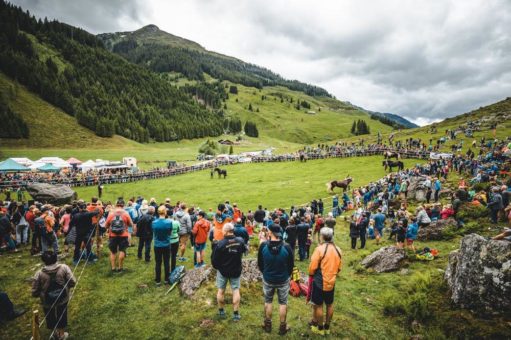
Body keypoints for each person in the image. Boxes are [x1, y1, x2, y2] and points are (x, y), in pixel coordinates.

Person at [258, 224, 294, 335]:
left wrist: (265, 273)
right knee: (283, 303)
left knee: (268, 301)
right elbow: (291, 265)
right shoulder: (287, 247)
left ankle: (267, 325)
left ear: (270, 233)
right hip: (283, 280)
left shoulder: (263, 246)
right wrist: (286, 275)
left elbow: (260, 264)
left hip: (268, 279)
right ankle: (282, 327)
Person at [32, 251, 76, 340]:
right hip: (63, 298)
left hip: (47, 301)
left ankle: (55, 334)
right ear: (56, 258)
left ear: (43, 260)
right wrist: (67, 288)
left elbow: (34, 291)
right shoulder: (64, 268)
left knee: (49, 315)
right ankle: (62, 334)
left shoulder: (39, 273)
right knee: (62, 313)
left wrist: (39, 294)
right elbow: (72, 281)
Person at [308, 227, 342, 336]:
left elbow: (312, 266)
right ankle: (327, 327)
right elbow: (339, 267)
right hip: (332, 281)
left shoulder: (319, 249)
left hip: (319, 281)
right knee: (330, 304)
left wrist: (311, 274)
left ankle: (320, 328)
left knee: (318, 305)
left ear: (322, 236)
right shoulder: (338, 249)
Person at [211, 223, 246, 321]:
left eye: (222, 230)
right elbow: (243, 250)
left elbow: (214, 261)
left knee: (221, 290)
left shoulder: (220, 244)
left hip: (223, 271)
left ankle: (221, 311)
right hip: (236, 269)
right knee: (236, 290)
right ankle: (236, 314)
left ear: (226, 231)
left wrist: (219, 267)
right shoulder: (240, 241)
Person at [105, 199, 133, 273]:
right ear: (123, 205)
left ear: (116, 204)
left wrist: (110, 227)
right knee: (122, 250)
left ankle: (113, 268)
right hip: (123, 235)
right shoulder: (126, 213)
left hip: (112, 235)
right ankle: (120, 268)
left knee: (113, 252)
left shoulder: (111, 213)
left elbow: (106, 225)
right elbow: (131, 224)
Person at [152, 206, 172, 286]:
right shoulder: (169, 222)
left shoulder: (154, 223)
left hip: (157, 244)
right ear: (165, 212)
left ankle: (158, 280)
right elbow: (169, 233)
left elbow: (154, 232)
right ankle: (166, 279)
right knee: (166, 262)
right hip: (166, 244)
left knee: (158, 263)